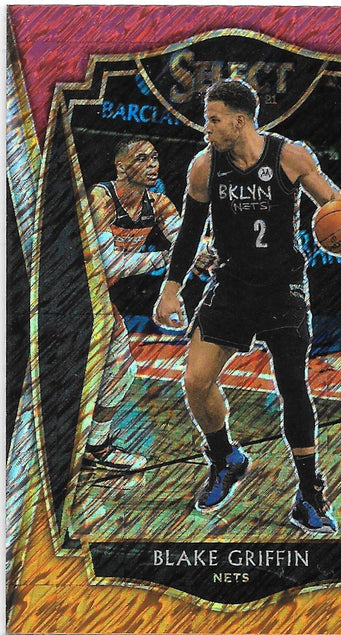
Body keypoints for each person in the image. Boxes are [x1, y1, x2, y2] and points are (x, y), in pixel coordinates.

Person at [155, 80, 341, 533]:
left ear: (239, 122)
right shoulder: (204, 166)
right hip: (231, 286)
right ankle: (225, 458)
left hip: (282, 287)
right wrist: (170, 289)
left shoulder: (290, 156)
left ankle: (309, 494)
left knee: (292, 385)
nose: (206, 128)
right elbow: (190, 232)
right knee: (195, 381)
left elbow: (331, 202)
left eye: (213, 120)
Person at [84, 136, 182, 471]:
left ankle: (95, 446)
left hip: (97, 298)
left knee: (120, 370)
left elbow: (185, 243)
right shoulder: (101, 198)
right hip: (63, 296)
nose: (152, 164)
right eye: (142, 159)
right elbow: (108, 265)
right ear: (121, 167)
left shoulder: (158, 203)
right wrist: (167, 258)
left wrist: (205, 252)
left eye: (154, 157)